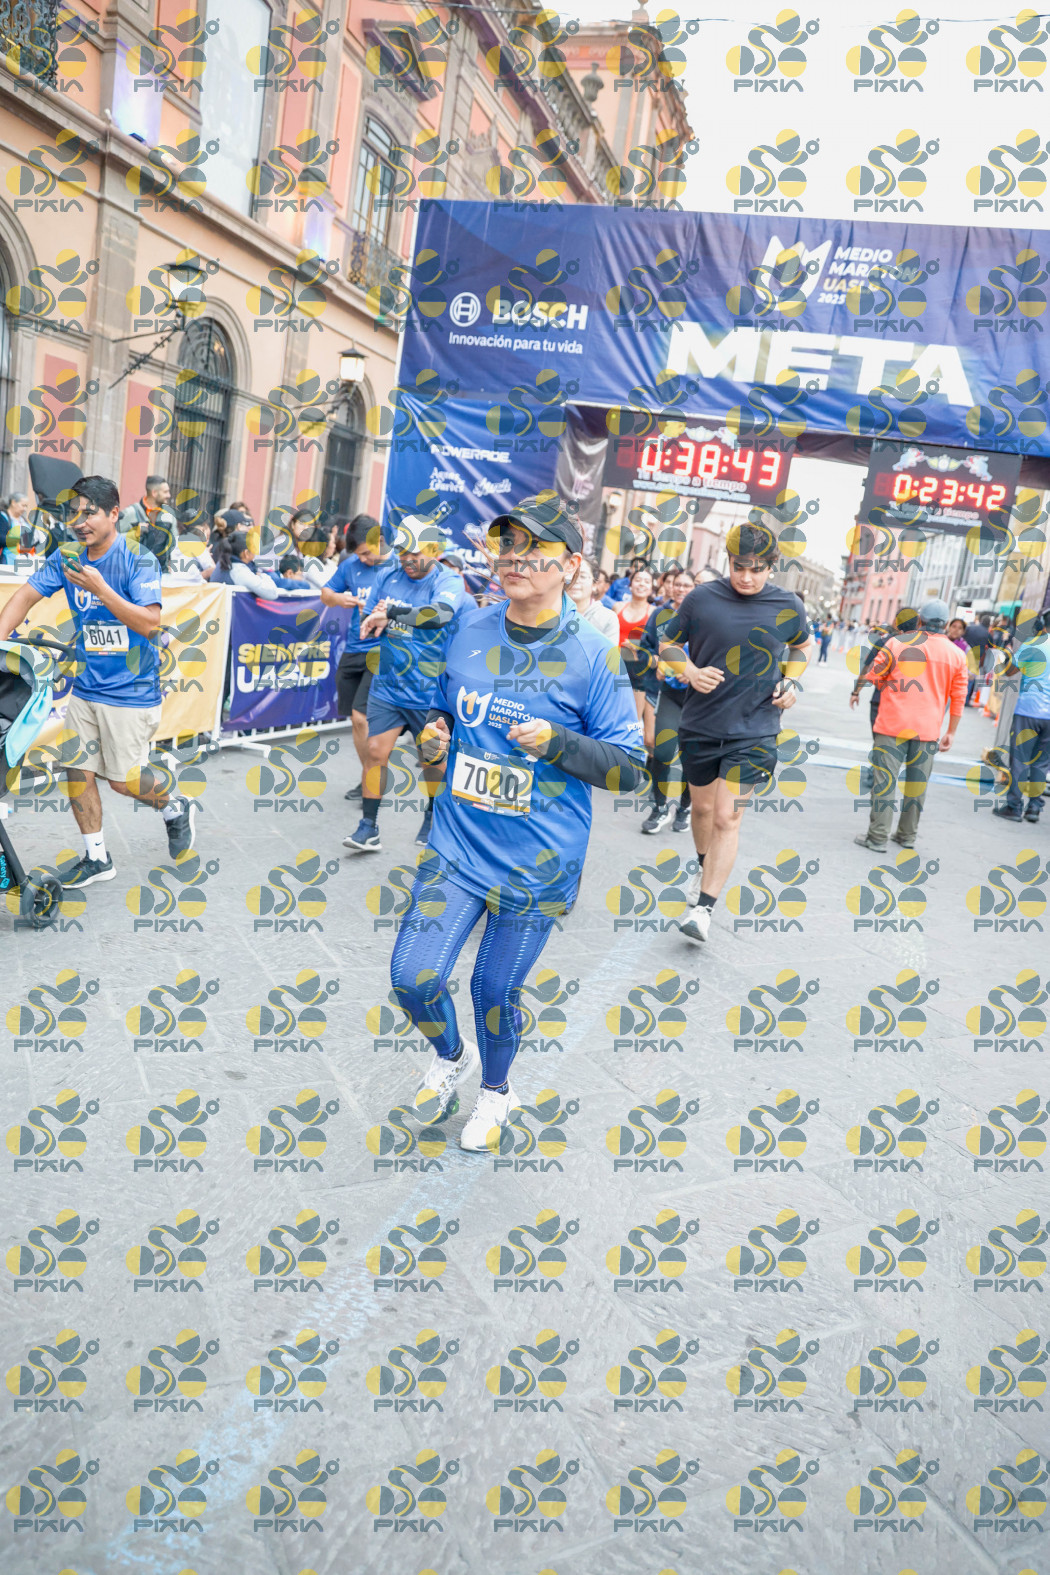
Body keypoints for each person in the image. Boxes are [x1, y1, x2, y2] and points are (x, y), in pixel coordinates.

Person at [392, 492, 645, 1149]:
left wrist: (557, 742)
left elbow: (629, 769)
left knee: (495, 988)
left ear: (571, 565)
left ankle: (496, 1092)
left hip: (537, 856)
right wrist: (436, 735)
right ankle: (452, 1056)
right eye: (506, 546)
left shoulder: (594, 654)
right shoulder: (471, 627)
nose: (514, 559)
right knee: (412, 979)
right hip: (458, 842)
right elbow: (443, 706)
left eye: (534, 550)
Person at [0, 474, 197, 886]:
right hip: (86, 687)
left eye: (90, 513)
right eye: (74, 513)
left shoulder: (139, 559)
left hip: (131, 692)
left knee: (123, 782)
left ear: (114, 514)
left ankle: (174, 805)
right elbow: (25, 596)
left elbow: (150, 624)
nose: (80, 521)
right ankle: (97, 858)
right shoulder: (68, 556)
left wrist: (101, 589)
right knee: (76, 769)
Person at [659, 520, 812, 945]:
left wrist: (792, 680)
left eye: (757, 569)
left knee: (727, 816)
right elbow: (667, 644)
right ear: (728, 561)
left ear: (772, 566)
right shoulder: (701, 598)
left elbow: (802, 645)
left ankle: (703, 909)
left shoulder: (788, 605)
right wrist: (690, 671)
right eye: (739, 567)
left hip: (756, 728)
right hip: (701, 723)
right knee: (702, 811)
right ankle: (703, 865)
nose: (746, 577)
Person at [343, 515, 468, 852]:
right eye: (402, 552)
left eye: (415, 553)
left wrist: (393, 614)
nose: (407, 559)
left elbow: (439, 615)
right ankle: (368, 826)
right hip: (388, 685)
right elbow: (371, 614)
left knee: (432, 762)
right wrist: (373, 619)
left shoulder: (448, 581)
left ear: (434, 551)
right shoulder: (388, 576)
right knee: (375, 752)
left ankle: (432, 814)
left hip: (429, 693)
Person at [852, 597, 967, 850]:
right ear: (946, 623)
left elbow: (874, 675)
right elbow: (959, 696)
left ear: (920, 620)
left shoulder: (896, 643)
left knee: (884, 782)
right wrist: (951, 731)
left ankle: (877, 837)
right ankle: (906, 836)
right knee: (917, 786)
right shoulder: (957, 655)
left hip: (892, 724)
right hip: (928, 729)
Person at [320, 514, 390, 802]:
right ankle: (368, 777)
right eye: (358, 555)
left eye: (365, 553)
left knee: (362, 718)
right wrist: (339, 599)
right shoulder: (350, 566)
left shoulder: (398, 567)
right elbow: (326, 593)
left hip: (383, 650)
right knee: (354, 719)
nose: (363, 559)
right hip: (353, 648)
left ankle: (372, 779)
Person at [641, 567, 695, 835]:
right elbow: (646, 647)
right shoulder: (660, 614)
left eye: (687, 585)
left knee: (691, 758)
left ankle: (685, 807)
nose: (681, 589)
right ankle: (659, 807)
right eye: (677, 584)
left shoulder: (705, 616)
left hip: (699, 697)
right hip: (669, 692)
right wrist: (657, 662)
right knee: (662, 751)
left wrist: (694, 672)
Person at [993, 611, 1050, 823]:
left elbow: (1009, 672)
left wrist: (1007, 655)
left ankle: (1014, 807)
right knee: (1042, 763)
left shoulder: (1033, 644)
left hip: (1028, 710)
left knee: (1020, 759)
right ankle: (1034, 808)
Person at [210, 531, 307, 596]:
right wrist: (263, 576)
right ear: (246, 553)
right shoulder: (239, 571)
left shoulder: (223, 563)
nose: (256, 552)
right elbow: (272, 593)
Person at [118, 474, 177, 571]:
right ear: (154, 493)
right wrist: (135, 533)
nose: (169, 496)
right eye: (165, 492)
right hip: (133, 573)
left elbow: (175, 546)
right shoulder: (131, 512)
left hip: (161, 573)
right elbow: (113, 539)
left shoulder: (169, 516)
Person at [566, 554, 618, 643]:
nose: (575, 580)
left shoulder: (607, 618)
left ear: (594, 585)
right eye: (572, 575)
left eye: (582, 576)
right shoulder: (552, 611)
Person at [1, 491, 30, 564]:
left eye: (26, 506)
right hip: (7, 559)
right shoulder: (3, 517)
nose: (25, 509)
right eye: (23, 505)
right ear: (13, 502)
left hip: (22, 560)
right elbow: (1, 538)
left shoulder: (23, 520)